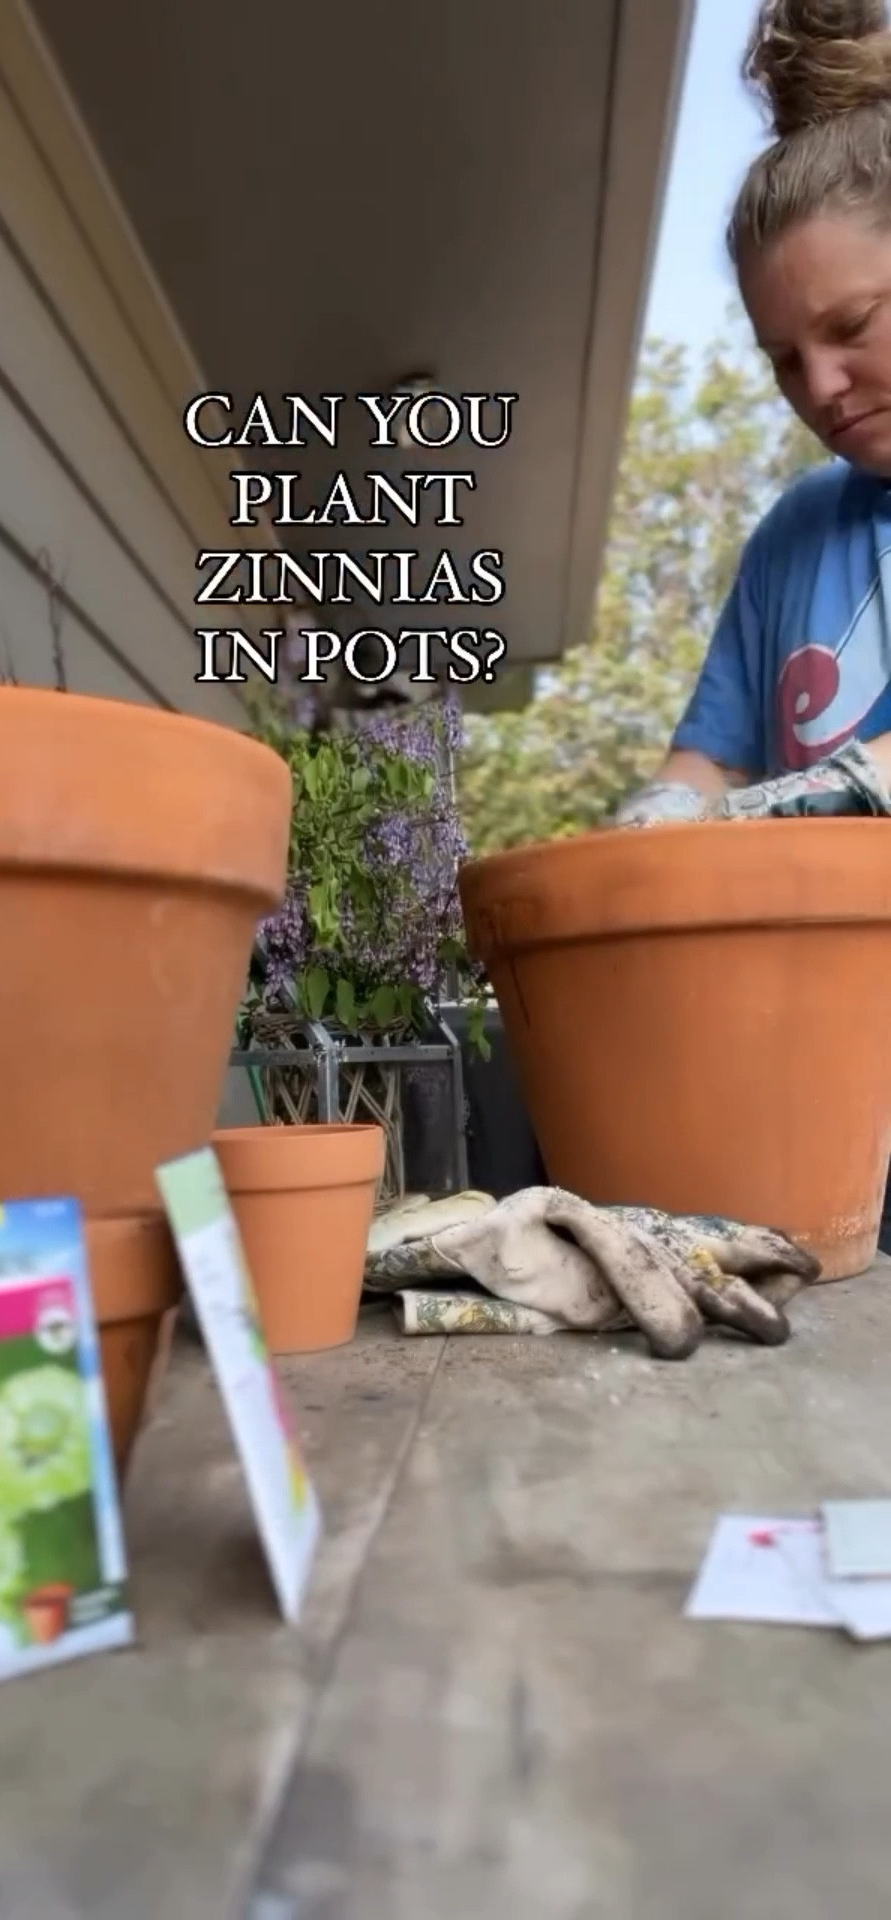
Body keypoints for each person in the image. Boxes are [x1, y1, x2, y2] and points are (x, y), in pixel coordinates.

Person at [613, 0, 891, 1247]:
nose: (818, 390)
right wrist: (648, 838)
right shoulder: (795, 535)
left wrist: (804, 802)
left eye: (852, 330)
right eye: (784, 357)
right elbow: (703, 766)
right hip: (812, 1104)